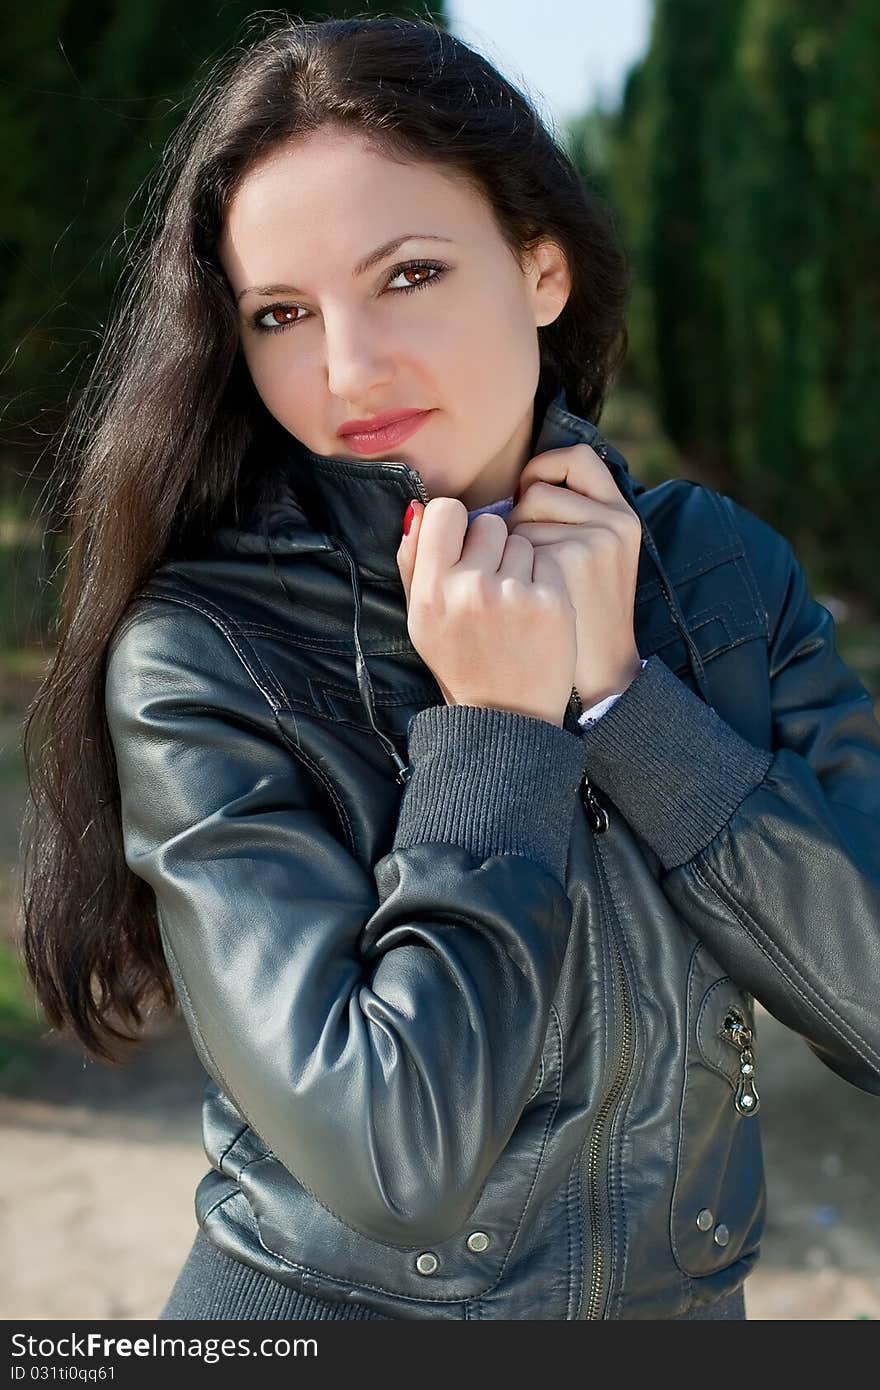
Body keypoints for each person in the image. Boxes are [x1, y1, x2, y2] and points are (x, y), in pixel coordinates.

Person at [19, 14, 880, 1322]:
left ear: (541, 266)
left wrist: (626, 699)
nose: (349, 367)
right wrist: (495, 724)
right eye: (282, 312)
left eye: (408, 274)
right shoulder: (206, 653)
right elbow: (395, 1157)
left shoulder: (719, 579)